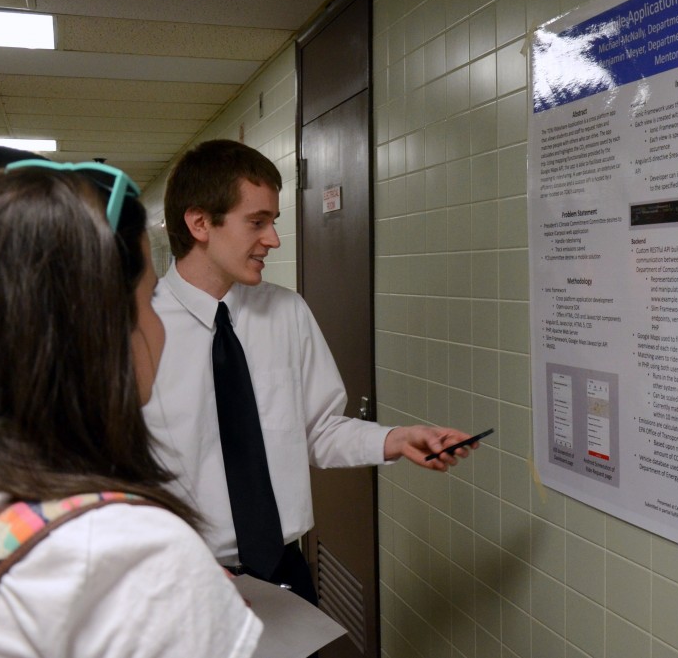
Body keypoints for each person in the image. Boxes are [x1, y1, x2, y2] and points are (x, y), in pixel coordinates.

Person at [144, 138, 478, 601]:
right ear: (200, 222)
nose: (273, 240)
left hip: (283, 572)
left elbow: (317, 430)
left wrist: (396, 440)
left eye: (273, 222)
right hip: (179, 580)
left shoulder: (287, 313)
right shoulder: (134, 327)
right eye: (256, 223)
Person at [0, 162, 262, 657]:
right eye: (149, 298)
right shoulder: (130, 557)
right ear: (96, 332)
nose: (158, 327)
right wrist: (190, 604)